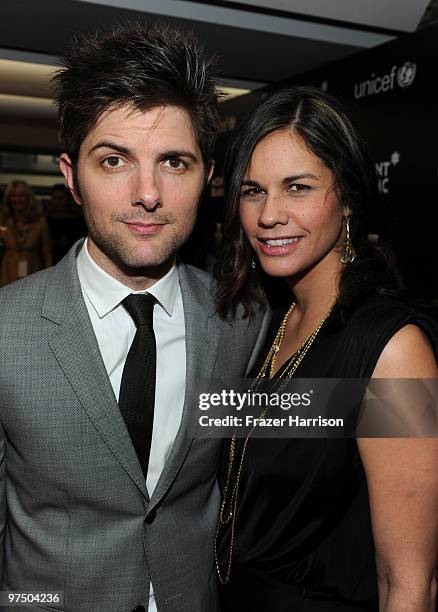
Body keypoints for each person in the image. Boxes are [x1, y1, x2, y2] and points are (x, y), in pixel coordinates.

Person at [0, 22, 269, 612]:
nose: (148, 193)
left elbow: (327, 431)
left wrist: (399, 369)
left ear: (207, 177)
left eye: (174, 162)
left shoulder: (242, 319)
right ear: (71, 177)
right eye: (115, 160)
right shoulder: (6, 328)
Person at [214, 86, 438, 611]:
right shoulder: (267, 321)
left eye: (298, 187)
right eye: (252, 191)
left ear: (348, 200)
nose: (269, 214)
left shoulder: (395, 350)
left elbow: (409, 584)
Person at [0, 179, 52, 286]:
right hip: (7, 272)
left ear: (29, 198)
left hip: (33, 271)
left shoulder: (40, 222)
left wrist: (48, 280)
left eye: (21, 196)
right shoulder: (3, 220)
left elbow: (47, 253)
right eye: (13, 196)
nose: (17, 199)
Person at [46, 183, 86, 263]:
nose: (57, 202)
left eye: (60, 198)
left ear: (67, 199)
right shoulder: (46, 220)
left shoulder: (78, 221)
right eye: (55, 198)